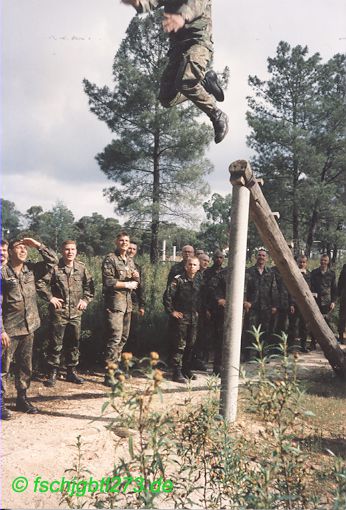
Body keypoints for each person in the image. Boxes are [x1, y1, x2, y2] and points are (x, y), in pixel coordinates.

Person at [121, 0, 229, 144]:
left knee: (186, 82)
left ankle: (217, 114)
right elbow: (149, 3)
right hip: (178, 47)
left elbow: (196, 4)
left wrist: (181, 16)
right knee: (167, 98)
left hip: (198, 42)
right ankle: (204, 84)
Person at [1, 238, 58, 419]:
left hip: (29, 326)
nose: (23, 250)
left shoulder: (31, 269)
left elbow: (54, 261)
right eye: (19, 247)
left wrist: (38, 245)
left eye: (26, 248)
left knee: (25, 366)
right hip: (8, 330)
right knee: (3, 368)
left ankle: (22, 398)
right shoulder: (3, 273)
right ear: (10, 252)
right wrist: (1, 330)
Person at [38, 240, 95, 387]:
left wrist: (85, 300)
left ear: (76, 251)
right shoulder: (55, 268)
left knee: (74, 343)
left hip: (76, 313)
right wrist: (50, 298)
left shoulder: (81, 268)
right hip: (59, 313)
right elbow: (41, 283)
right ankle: (53, 373)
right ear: (62, 251)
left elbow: (90, 286)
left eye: (73, 249)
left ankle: (71, 371)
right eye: (67, 249)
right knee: (55, 343)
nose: (70, 252)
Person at [102, 231, 140, 386]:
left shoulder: (129, 260)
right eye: (122, 240)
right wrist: (126, 284)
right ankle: (109, 373)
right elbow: (108, 281)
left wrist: (136, 277)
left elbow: (134, 278)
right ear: (116, 242)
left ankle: (116, 367)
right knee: (114, 338)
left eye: (127, 240)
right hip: (115, 304)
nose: (124, 243)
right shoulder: (110, 259)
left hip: (127, 304)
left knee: (123, 338)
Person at [163, 256, 202, 383]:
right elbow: (167, 296)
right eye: (190, 264)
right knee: (179, 345)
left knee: (191, 344)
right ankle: (177, 372)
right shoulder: (178, 280)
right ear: (186, 266)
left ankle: (186, 369)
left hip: (194, 318)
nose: (192, 267)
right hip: (181, 318)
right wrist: (172, 311)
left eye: (195, 265)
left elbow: (203, 297)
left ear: (198, 267)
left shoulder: (199, 280)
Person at [243, 248, 278, 360]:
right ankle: (251, 356)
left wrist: (274, 305)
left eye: (263, 255)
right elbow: (244, 288)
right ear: (255, 257)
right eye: (259, 255)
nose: (261, 257)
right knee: (251, 330)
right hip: (252, 307)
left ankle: (263, 355)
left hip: (266, 307)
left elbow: (274, 289)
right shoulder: (249, 271)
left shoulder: (270, 273)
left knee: (265, 331)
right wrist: (245, 301)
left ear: (266, 258)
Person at [310, 254, 337, 350]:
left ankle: (329, 345)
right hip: (315, 301)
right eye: (322, 260)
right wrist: (312, 293)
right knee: (314, 322)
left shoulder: (332, 273)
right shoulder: (314, 272)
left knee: (327, 323)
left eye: (325, 260)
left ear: (328, 262)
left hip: (327, 301)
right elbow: (311, 285)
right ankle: (312, 342)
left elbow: (334, 289)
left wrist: (333, 301)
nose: (323, 262)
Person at [125, 241, 145, 355]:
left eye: (134, 249)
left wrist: (142, 305)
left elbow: (141, 287)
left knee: (133, 331)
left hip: (133, 302)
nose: (131, 251)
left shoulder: (137, 267)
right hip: (120, 301)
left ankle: (130, 359)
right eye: (129, 248)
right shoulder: (117, 263)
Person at [288, 255, 312, 352]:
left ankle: (303, 346)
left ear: (306, 263)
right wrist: (291, 304)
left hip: (305, 304)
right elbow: (290, 289)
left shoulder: (309, 274)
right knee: (292, 326)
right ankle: (290, 346)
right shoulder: (292, 273)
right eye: (300, 262)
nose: (301, 264)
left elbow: (310, 288)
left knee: (304, 326)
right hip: (295, 303)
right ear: (297, 263)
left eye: (303, 262)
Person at [337, 264, 346, 345]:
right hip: (344, 297)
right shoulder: (344, 268)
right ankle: (340, 337)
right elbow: (340, 282)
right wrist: (339, 295)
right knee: (342, 318)